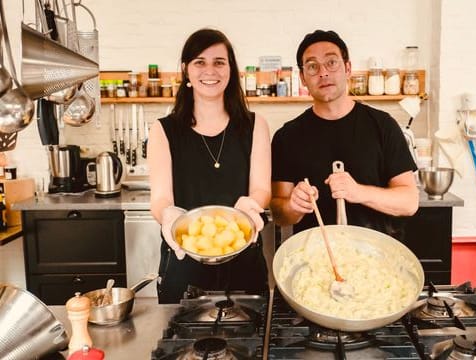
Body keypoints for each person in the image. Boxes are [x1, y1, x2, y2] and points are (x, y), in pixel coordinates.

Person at [148, 28, 271, 303]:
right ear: (186, 70)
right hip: (184, 264)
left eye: (219, 62)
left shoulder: (255, 125)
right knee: (179, 346)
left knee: (249, 344)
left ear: (230, 69)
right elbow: (160, 197)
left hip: (244, 259)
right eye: (199, 62)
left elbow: (261, 188)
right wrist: (167, 214)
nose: (210, 71)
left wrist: (251, 205)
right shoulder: (163, 130)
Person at [270, 30, 419, 241]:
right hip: (315, 260)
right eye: (312, 66)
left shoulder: (383, 125)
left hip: (376, 258)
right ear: (303, 78)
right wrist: (293, 206)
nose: (323, 73)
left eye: (331, 62)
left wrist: (358, 192)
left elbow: (409, 202)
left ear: (347, 68)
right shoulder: (287, 137)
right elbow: (279, 212)